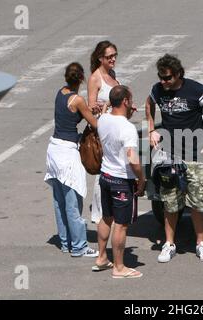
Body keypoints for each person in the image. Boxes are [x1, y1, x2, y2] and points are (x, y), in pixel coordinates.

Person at [146, 54, 203, 263]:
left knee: (198, 204)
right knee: (170, 203)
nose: (163, 82)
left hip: (194, 156)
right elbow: (149, 103)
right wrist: (150, 129)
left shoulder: (195, 90)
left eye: (167, 78)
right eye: (161, 77)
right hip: (169, 159)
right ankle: (169, 243)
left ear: (178, 74)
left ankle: (201, 243)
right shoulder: (157, 90)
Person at [44, 62, 99, 257]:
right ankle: (79, 247)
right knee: (73, 202)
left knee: (59, 201)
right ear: (82, 79)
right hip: (67, 154)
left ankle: (66, 242)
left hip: (53, 151)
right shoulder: (78, 100)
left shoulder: (61, 93)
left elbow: (73, 115)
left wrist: (90, 108)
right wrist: (100, 110)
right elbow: (94, 124)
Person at [93, 85, 144, 278]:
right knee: (121, 225)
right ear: (125, 102)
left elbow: (107, 110)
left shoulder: (104, 119)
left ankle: (101, 258)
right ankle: (119, 267)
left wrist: (117, 108)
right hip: (121, 180)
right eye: (130, 100)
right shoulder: (128, 128)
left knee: (106, 218)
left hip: (105, 176)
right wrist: (142, 178)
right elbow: (132, 159)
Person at [88, 41, 120, 225]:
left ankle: (112, 206)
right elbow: (90, 107)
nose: (113, 59)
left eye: (115, 55)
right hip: (104, 130)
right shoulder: (96, 78)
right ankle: (99, 212)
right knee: (105, 170)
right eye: (109, 57)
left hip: (116, 127)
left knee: (114, 168)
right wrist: (103, 107)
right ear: (100, 58)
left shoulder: (112, 74)